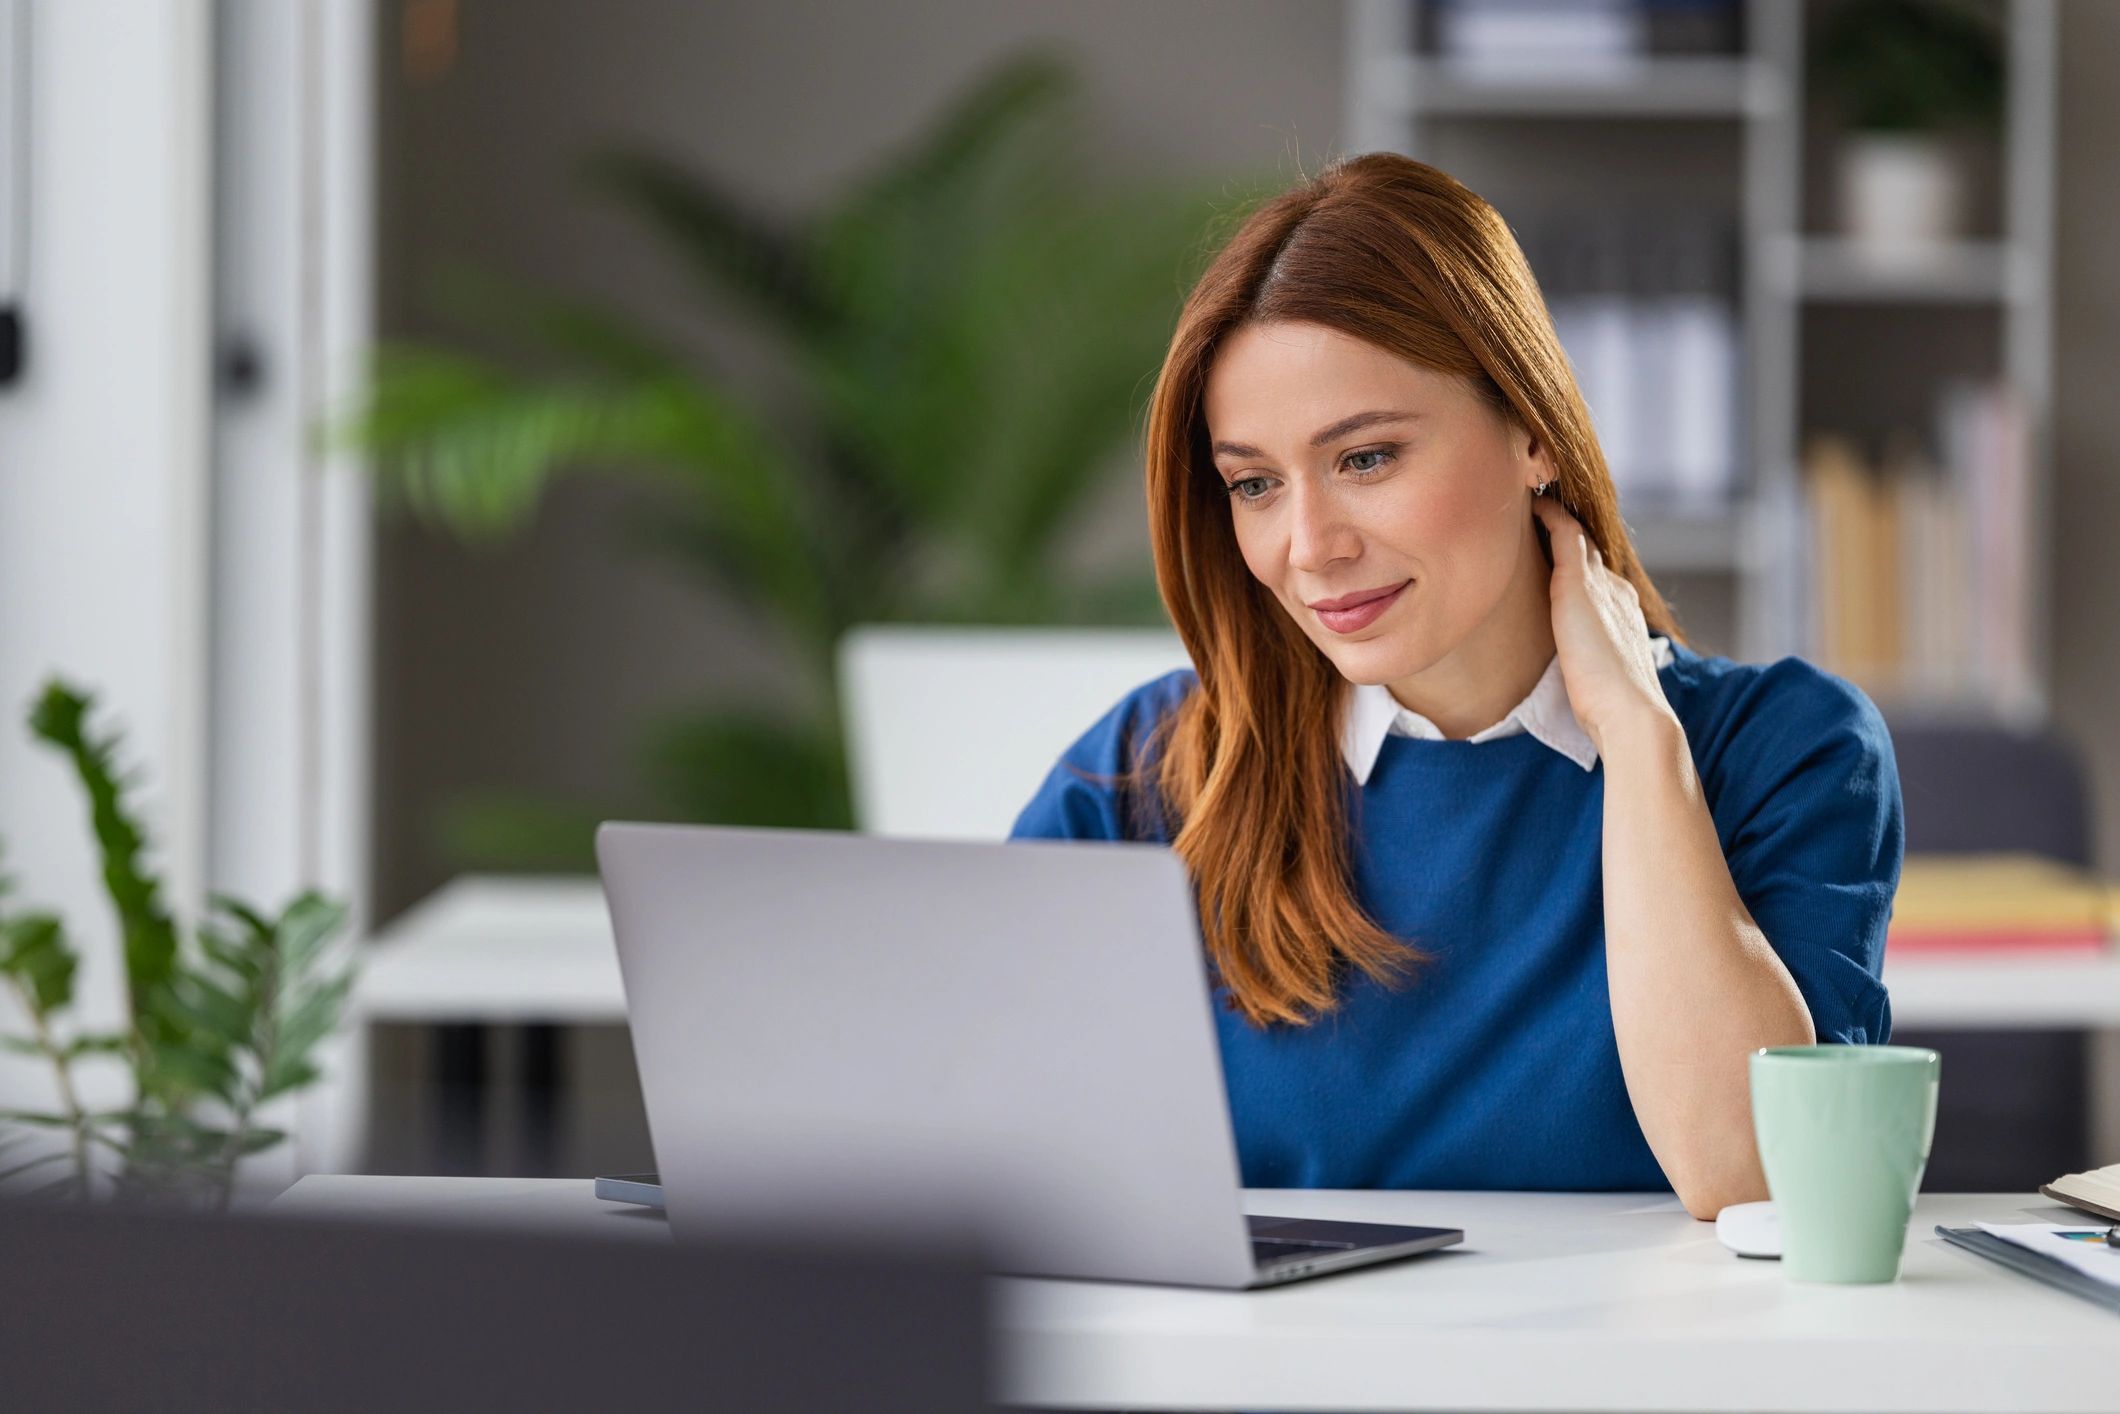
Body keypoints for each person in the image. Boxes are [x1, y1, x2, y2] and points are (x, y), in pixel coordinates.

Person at [1009, 153, 1902, 1220]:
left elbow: (1749, 1174)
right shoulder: (1145, 773)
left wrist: (1635, 735)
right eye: (1253, 483)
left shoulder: (1785, 752)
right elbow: (967, 1156)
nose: (1308, 546)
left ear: (1529, 429)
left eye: (1366, 458)